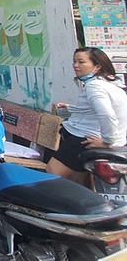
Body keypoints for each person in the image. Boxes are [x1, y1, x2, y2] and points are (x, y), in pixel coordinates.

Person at [47, 47, 127, 184]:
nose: (75, 65)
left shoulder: (94, 86)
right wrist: (71, 108)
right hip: (108, 140)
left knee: (53, 173)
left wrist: (108, 142)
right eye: (74, 61)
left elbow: (106, 114)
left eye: (81, 62)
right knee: (78, 181)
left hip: (85, 140)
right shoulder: (111, 84)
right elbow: (96, 110)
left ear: (97, 66)